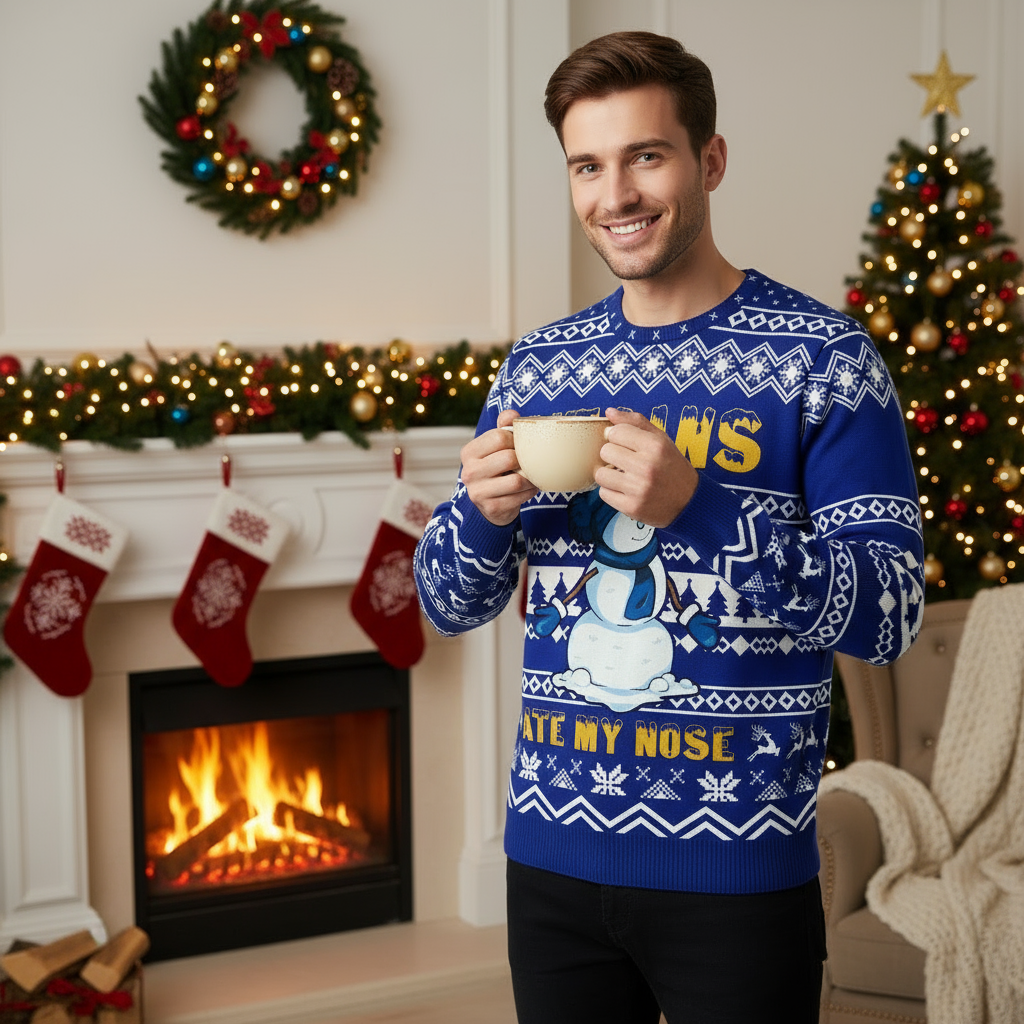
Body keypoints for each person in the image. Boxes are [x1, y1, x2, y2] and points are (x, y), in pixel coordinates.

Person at [414, 30, 924, 1024]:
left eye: (645, 156)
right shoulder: (539, 368)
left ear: (710, 160)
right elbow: (444, 603)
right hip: (552, 863)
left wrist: (705, 510)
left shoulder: (822, 359)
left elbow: (892, 615)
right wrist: (478, 515)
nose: (616, 195)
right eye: (587, 166)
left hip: (739, 873)